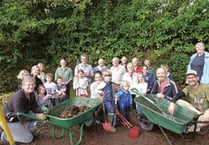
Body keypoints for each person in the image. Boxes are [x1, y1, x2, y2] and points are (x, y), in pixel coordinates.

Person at [1, 76, 47, 143]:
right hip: (9, 120)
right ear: (23, 86)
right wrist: (37, 116)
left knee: (35, 124)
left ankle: (20, 131)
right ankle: (4, 136)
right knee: (29, 139)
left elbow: (34, 107)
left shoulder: (32, 94)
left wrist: (42, 110)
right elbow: (22, 117)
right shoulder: (19, 98)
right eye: (28, 85)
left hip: (20, 116)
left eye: (32, 84)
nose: (31, 87)